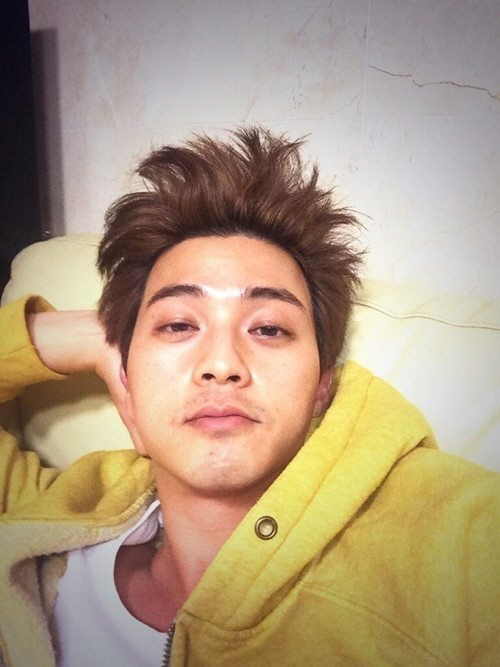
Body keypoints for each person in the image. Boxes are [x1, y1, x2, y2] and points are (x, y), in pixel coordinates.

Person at [0, 127, 498, 667]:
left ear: (322, 388)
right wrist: (80, 338)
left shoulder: (462, 534)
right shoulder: (51, 519)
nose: (221, 365)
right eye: (177, 325)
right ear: (125, 375)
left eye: (268, 329)